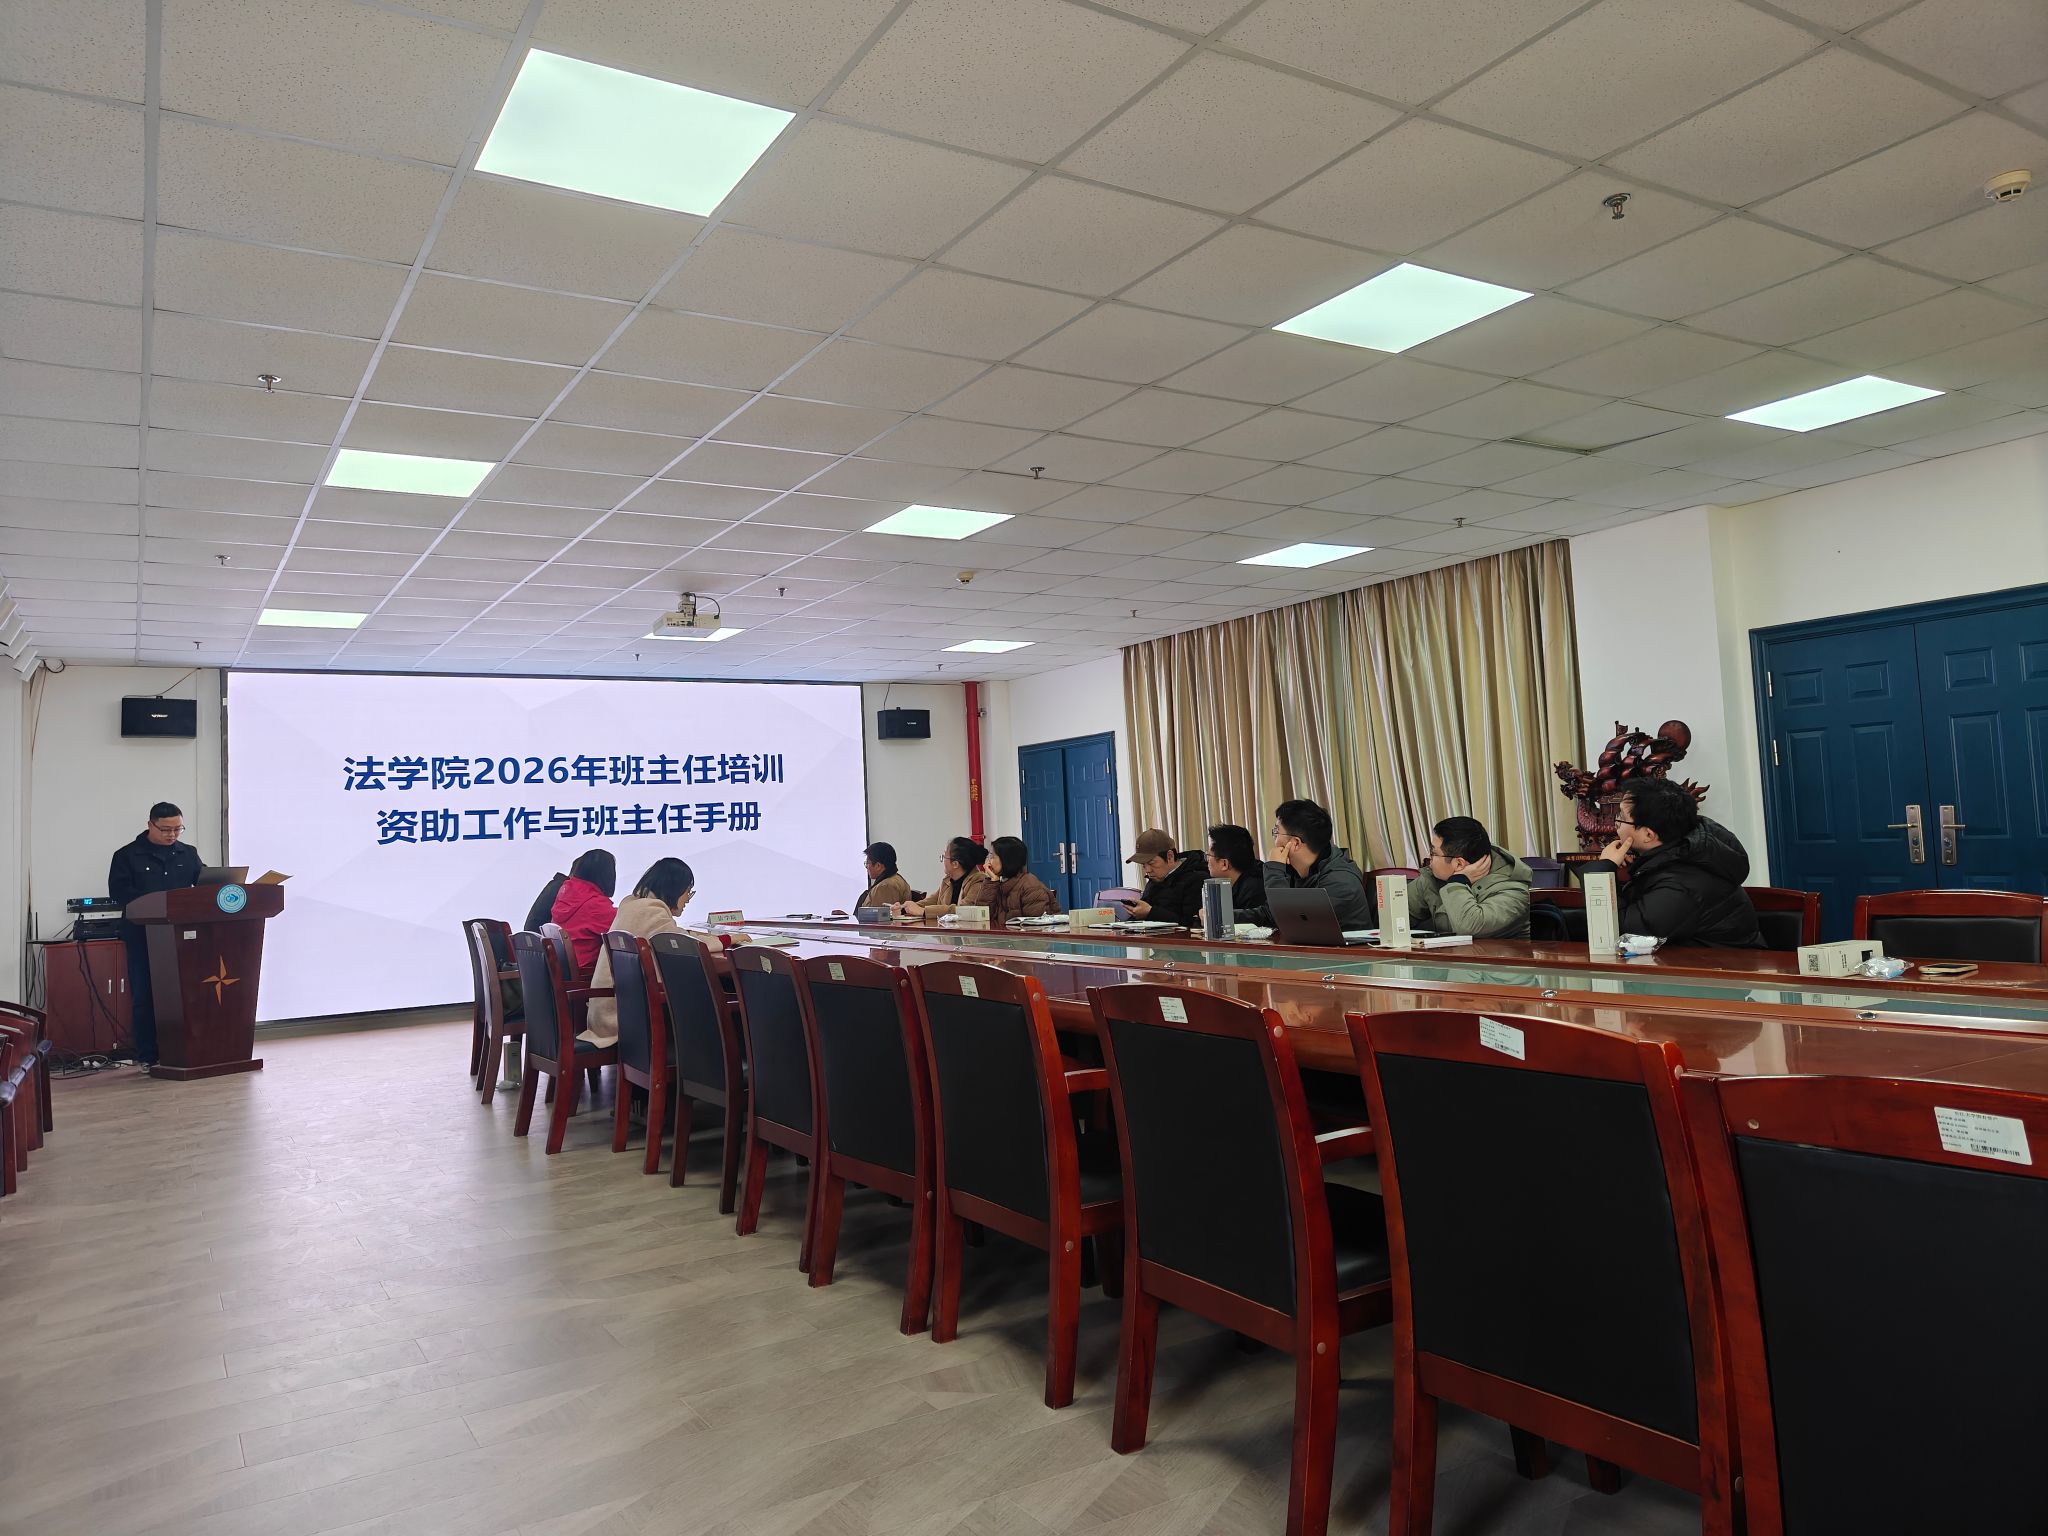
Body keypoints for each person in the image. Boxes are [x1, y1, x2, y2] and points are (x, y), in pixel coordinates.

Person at [1580, 778, 1763, 948]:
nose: (1615, 824)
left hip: (1720, 970)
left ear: (1648, 835)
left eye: (1620, 817)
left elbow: (1619, 935)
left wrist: (1602, 870)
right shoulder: (1682, 851)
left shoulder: (1682, 884)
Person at [582, 858, 722, 1045]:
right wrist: (726, 940)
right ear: (674, 888)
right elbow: (687, 944)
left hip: (612, 1012)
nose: (688, 898)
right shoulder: (651, 911)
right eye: (688, 891)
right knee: (709, 999)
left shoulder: (633, 905)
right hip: (624, 1018)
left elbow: (676, 934)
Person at [106, 801, 201, 1068]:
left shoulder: (188, 853)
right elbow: (119, 893)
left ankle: (186, 1050)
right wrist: (158, 903)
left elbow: (203, 884)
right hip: (142, 936)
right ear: (150, 825)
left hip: (182, 935)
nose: (172, 835)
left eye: (177, 829)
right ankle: (148, 1055)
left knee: (185, 994)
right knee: (145, 996)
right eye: (166, 829)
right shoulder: (126, 855)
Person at [1407, 815, 1533, 939]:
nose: (1429, 859)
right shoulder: (1433, 878)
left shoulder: (1513, 890)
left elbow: (1469, 927)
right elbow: (1398, 913)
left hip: (1492, 953)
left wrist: (1458, 881)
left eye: (1433, 853)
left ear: (1459, 864)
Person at [1266, 798, 1374, 929]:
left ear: (1295, 843)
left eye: (1277, 832)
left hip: (1344, 943)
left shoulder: (1340, 882)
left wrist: (1274, 868)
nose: (1275, 840)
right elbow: (1270, 913)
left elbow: (1289, 920)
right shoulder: (1301, 870)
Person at [549, 848, 617, 978]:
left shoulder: (566, 893)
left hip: (563, 974)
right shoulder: (595, 905)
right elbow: (625, 926)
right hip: (585, 977)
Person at [898, 837, 994, 919]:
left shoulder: (979, 881)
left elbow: (963, 910)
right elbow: (932, 901)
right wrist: (904, 907)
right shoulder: (948, 880)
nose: (943, 860)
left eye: (944, 857)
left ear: (955, 864)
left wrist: (923, 911)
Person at [1126, 828, 1206, 924]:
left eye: (1151, 863)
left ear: (1170, 857)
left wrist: (1151, 913)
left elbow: (1193, 923)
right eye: (1143, 865)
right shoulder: (1154, 880)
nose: (1147, 870)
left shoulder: (1197, 879)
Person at [1205, 823, 1270, 925]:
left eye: (1209, 855)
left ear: (1224, 864)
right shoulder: (1228, 884)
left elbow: (1252, 928)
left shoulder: (1254, 888)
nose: (1207, 860)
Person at [985, 836, 1059, 922]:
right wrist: (991, 883)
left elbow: (1035, 925)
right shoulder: (997, 882)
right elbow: (982, 916)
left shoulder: (1030, 886)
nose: (988, 862)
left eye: (992, 856)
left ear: (1006, 859)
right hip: (1005, 931)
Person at [857, 843, 912, 910]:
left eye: (867, 863)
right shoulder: (892, 880)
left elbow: (879, 915)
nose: (866, 867)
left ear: (878, 866)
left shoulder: (886, 886)